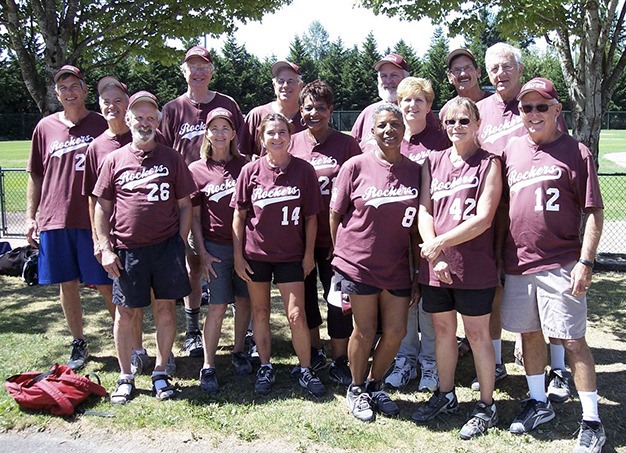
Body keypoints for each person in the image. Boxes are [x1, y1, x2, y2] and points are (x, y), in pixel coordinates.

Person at [500, 78, 606, 451]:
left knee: (573, 340)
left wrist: (586, 261)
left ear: (557, 110)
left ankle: (592, 420)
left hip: (561, 261)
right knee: (528, 334)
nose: (533, 114)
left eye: (541, 106)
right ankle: (538, 402)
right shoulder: (511, 150)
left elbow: (594, 211)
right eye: (526, 107)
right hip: (518, 263)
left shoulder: (575, 151)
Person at [475, 42, 569, 395]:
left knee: (553, 295)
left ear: (519, 67)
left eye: (506, 66)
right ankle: (496, 362)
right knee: (497, 286)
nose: (501, 74)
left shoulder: (535, 102)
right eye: (494, 68)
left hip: (536, 207)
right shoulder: (482, 109)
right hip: (495, 211)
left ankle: (558, 369)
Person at [93, 91, 196, 403]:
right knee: (125, 313)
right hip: (128, 250)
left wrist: (180, 241)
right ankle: (126, 376)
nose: (145, 122)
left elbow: (185, 205)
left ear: (159, 122)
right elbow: (102, 208)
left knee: (165, 309)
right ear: (128, 119)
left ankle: (161, 371)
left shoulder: (171, 157)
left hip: (166, 248)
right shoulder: (114, 160)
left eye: (151, 117)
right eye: (139, 116)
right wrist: (105, 247)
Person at [411, 97, 502, 440]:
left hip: (474, 265)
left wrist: (439, 244)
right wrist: (436, 254)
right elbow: (425, 212)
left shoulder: (489, 162)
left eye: (464, 120)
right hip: (438, 265)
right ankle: (445, 394)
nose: (457, 127)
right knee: (443, 332)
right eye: (450, 121)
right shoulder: (432, 162)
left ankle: (486, 405)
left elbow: (483, 218)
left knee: (478, 336)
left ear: (478, 123)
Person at [330, 103, 421, 422]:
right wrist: (341, 256)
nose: (389, 130)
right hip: (359, 265)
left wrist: (416, 272)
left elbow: (416, 228)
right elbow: (335, 215)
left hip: (397, 266)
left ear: (404, 129)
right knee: (364, 330)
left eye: (395, 124)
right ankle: (355, 389)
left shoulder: (414, 171)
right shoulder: (355, 166)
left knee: (395, 331)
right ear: (372, 131)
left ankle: (374, 384)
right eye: (382, 125)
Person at [160, 45, 245, 360]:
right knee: (193, 265)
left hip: (225, 193)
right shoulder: (173, 109)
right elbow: (164, 155)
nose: (198, 72)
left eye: (203, 66)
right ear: (184, 71)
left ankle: (243, 331)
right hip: (187, 199)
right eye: (191, 66)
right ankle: (193, 328)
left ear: (211, 71)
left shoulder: (227, 104)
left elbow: (243, 148)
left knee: (234, 260)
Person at [232, 113, 325, 397]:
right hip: (256, 253)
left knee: (296, 314)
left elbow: (311, 217)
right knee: (260, 312)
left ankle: (306, 369)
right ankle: (265, 365)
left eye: (282, 131)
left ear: (290, 135)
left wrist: (308, 254)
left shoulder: (304, 170)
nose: (277, 137)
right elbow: (239, 214)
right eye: (270, 132)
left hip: (291, 255)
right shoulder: (250, 171)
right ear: (262, 138)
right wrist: (238, 255)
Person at [25, 64, 110, 370]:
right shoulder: (45, 127)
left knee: (105, 283)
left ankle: (126, 341)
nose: (70, 92)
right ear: (57, 93)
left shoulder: (102, 124)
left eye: (75, 85)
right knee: (67, 283)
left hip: (91, 218)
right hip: (55, 217)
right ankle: (79, 342)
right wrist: (31, 217)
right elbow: (35, 174)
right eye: (63, 87)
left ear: (85, 90)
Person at [289, 80, 361, 386]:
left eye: (320, 108)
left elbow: (358, 190)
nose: (314, 113)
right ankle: (314, 351)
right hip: (298, 238)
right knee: (304, 299)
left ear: (331, 111)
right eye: (308, 107)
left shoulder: (346, 145)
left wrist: (344, 236)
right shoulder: (291, 143)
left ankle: (340, 358)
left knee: (338, 300)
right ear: (300, 110)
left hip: (336, 239)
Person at [82, 76, 153, 377]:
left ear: (128, 108)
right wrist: (101, 242)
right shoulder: (96, 147)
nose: (111, 106)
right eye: (105, 102)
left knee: (146, 300)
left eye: (117, 101)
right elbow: (93, 199)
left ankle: (144, 349)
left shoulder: (145, 134)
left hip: (149, 239)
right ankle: (135, 352)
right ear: (99, 106)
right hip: (116, 239)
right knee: (123, 302)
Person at [383, 77, 450, 392]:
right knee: (404, 301)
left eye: (419, 100)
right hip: (397, 232)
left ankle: (430, 363)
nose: (412, 106)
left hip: (432, 229)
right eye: (406, 100)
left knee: (430, 301)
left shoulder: (440, 139)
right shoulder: (393, 137)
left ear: (429, 105)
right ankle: (405, 359)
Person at [188, 107, 253, 394]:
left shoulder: (247, 165)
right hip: (215, 247)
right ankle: (208, 364)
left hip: (246, 246)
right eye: (214, 128)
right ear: (206, 133)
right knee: (217, 305)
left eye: (225, 127)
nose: (220, 133)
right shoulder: (197, 169)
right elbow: (194, 218)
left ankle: (239, 350)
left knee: (245, 301)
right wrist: (201, 252)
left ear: (233, 133)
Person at [239, 60, 306, 157]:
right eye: (281, 81)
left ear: (300, 85)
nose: (285, 85)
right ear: (274, 85)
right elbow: (242, 154)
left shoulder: (307, 118)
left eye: (290, 81)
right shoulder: (257, 115)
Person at [350, 53, 410, 146]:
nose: (388, 81)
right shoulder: (368, 112)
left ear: (406, 79)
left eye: (394, 75)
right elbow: (351, 147)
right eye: (384, 76)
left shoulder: (416, 112)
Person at [438, 48, 492, 122]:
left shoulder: (495, 104)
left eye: (467, 68)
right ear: (449, 77)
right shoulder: (446, 111)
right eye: (457, 69)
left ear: (478, 72)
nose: (463, 74)